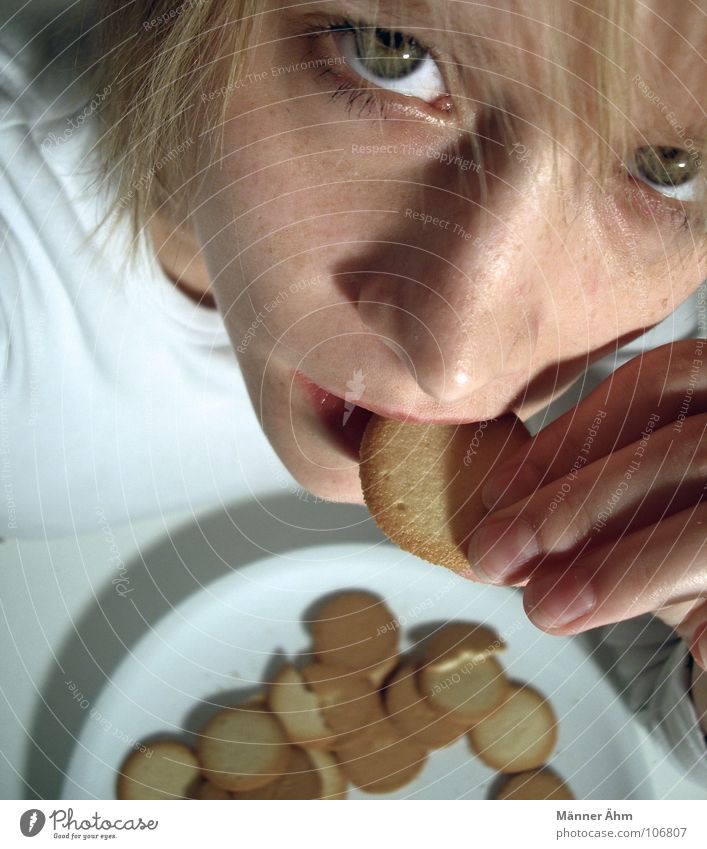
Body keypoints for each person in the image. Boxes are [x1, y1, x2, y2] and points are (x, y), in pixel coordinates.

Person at [1, 1, 705, 785]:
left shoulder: (668, 354)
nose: (456, 367)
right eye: (391, 52)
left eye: (667, 165)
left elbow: (667, 690)